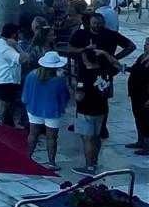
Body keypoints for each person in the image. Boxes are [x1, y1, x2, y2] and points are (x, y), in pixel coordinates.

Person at [73, 44, 119, 174]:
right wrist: (104, 53)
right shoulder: (106, 71)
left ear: (84, 59)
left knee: (87, 139)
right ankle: (95, 161)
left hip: (86, 110)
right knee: (97, 136)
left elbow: (79, 96)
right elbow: (117, 65)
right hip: (101, 108)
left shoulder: (85, 75)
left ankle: (89, 166)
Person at [24, 50, 70, 168]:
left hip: (33, 108)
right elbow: (65, 96)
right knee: (52, 138)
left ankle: (27, 158)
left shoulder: (31, 75)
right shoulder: (58, 80)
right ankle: (51, 162)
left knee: (32, 134)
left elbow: (25, 95)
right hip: (53, 111)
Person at [0, 24, 25, 128]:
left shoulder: (4, 45)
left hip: (10, 81)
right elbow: (23, 58)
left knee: (10, 107)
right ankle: (0, 127)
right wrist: (17, 46)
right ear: (14, 34)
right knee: (4, 107)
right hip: (5, 81)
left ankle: (8, 126)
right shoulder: (4, 47)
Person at [128, 51, 149, 155]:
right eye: (146, 43)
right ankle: (140, 141)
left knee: (146, 120)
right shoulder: (142, 56)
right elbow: (134, 69)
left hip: (145, 94)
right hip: (135, 92)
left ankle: (147, 145)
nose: (146, 46)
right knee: (138, 118)